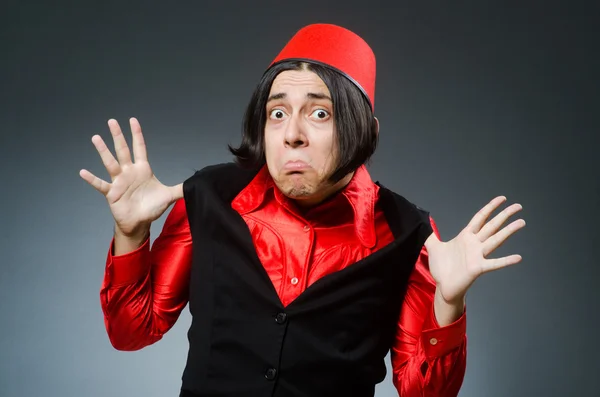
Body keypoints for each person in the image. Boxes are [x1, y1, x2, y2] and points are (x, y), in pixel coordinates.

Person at [80, 23, 525, 397]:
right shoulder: (208, 198)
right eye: (277, 113)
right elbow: (131, 332)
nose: (291, 133)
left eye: (319, 114)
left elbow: (423, 392)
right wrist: (131, 234)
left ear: (363, 131)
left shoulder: (408, 234)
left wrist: (448, 303)